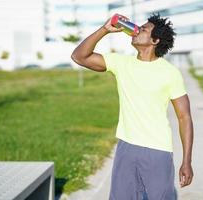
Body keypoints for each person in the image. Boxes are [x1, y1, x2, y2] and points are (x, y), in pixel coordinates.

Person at [71, 12, 194, 200]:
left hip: (157, 150)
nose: (135, 30)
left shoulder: (170, 73)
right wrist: (105, 30)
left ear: (155, 40)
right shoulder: (121, 62)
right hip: (126, 147)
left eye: (143, 29)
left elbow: (184, 117)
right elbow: (79, 56)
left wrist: (186, 161)